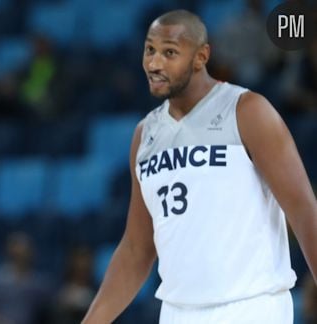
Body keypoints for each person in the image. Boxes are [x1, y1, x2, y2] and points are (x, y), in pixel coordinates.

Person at [82, 9, 317, 324]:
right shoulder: (145, 134)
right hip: (178, 313)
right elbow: (137, 248)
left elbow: (304, 212)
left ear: (200, 56)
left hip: (252, 308)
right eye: (149, 50)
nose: (154, 63)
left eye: (170, 53)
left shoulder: (248, 111)